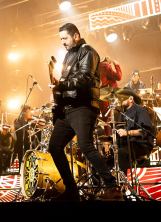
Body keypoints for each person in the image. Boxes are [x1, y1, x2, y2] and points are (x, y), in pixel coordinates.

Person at [47, 23, 120, 201]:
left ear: (76, 36)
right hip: (68, 108)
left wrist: (61, 84)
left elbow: (84, 78)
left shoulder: (88, 51)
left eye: (65, 38)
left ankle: (112, 187)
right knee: (54, 147)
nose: (63, 42)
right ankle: (72, 191)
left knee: (85, 145)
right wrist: (57, 91)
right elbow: (65, 81)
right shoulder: (68, 55)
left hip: (83, 106)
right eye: (61, 39)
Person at [114, 90, 153, 171]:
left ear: (131, 99)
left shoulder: (140, 110)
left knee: (122, 152)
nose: (121, 100)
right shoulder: (122, 114)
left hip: (140, 145)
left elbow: (145, 131)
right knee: (106, 157)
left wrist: (127, 133)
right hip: (126, 145)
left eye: (123, 98)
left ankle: (128, 181)